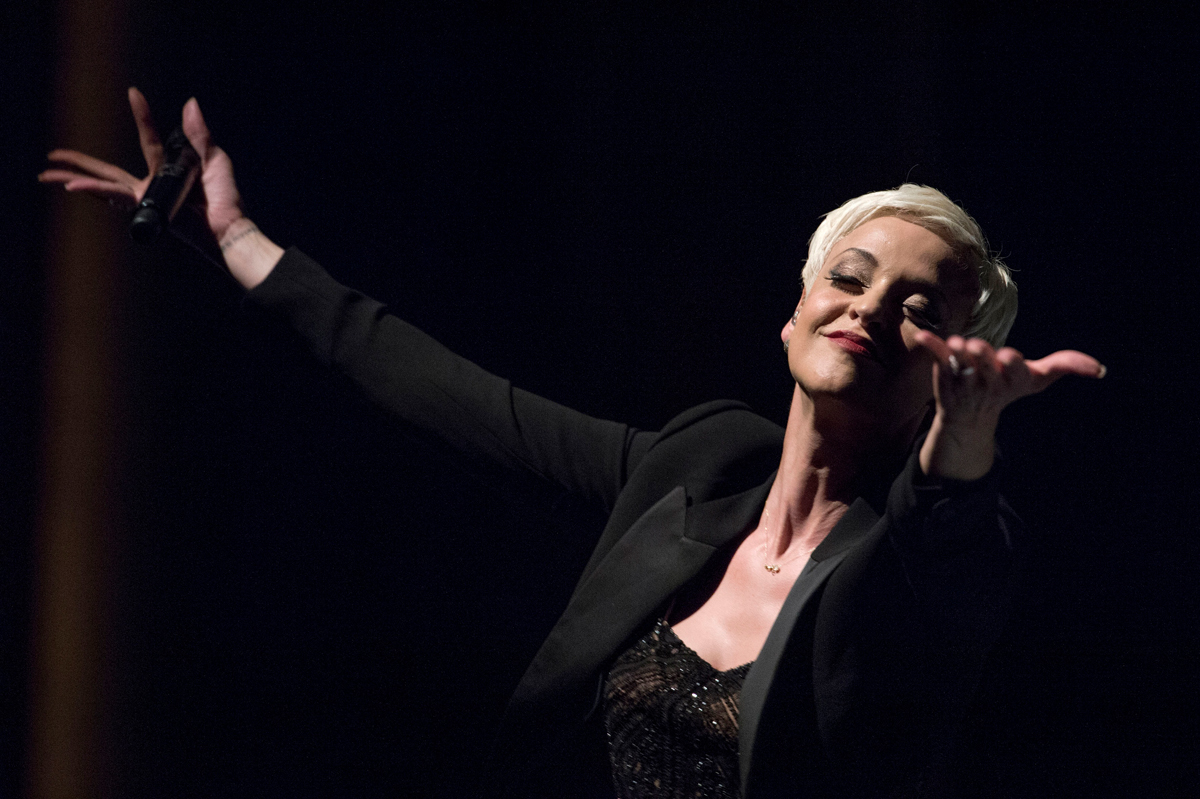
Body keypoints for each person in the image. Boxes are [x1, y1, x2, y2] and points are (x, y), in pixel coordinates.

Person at [41, 89, 1105, 798]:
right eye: (851, 276)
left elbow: (948, 533)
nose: (870, 307)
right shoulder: (703, 464)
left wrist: (965, 436)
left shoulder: (931, 552)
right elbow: (452, 396)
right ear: (794, 312)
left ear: (950, 366)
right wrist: (237, 240)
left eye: (920, 310)